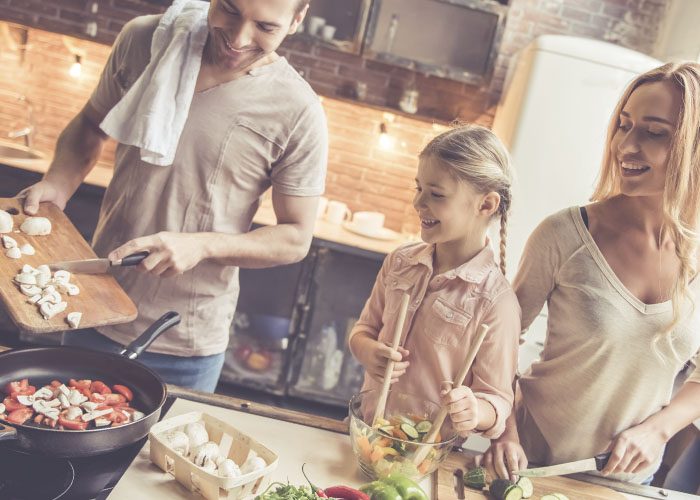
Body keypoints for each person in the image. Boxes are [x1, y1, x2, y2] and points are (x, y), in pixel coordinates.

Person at [18, 0, 328, 392]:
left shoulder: (298, 110)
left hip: (187, 342)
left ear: (297, 19)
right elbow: (91, 125)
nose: (238, 38)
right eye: (230, 11)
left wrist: (200, 246)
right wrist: (58, 184)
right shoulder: (147, 39)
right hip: (93, 308)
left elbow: (295, 237)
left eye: (265, 27)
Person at [479, 62, 700, 485]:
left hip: (625, 481)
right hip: (531, 462)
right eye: (623, 125)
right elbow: (497, 343)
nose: (626, 146)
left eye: (654, 133)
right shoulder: (565, 233)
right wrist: (503, 433)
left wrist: (658, 430)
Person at [348, 124, 521, 439]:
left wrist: (475, 409)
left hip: (429, 452)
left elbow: (498, 401)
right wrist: (369, 352)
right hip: (367, 433)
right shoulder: (400, 263)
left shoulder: (497, 303)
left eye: (436, 195)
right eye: (419, 189)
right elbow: (362, 331)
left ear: (486, 205)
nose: (418, 203)